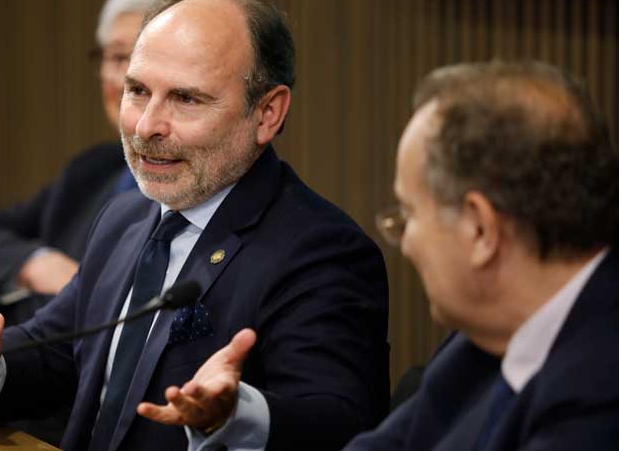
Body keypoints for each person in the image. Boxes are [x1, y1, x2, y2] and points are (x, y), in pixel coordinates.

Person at [0, 0, 390, 451]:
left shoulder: (321, 251)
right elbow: (63, 349)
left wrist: (239, 415)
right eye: (137, 90)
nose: (147, 125)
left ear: (267, 114)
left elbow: (341, 423)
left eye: (186, 98)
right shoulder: (129, 213)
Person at [179, 60, 619, 451]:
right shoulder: (487, 333)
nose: (404, 242)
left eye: (408, 215)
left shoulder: (597, 395)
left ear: (480, 228)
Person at [0, 0, 203, 326]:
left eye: (150, 58)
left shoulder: (207, 189)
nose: (132, 80)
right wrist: (38, 264)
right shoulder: (94, 171)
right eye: (120, 58)